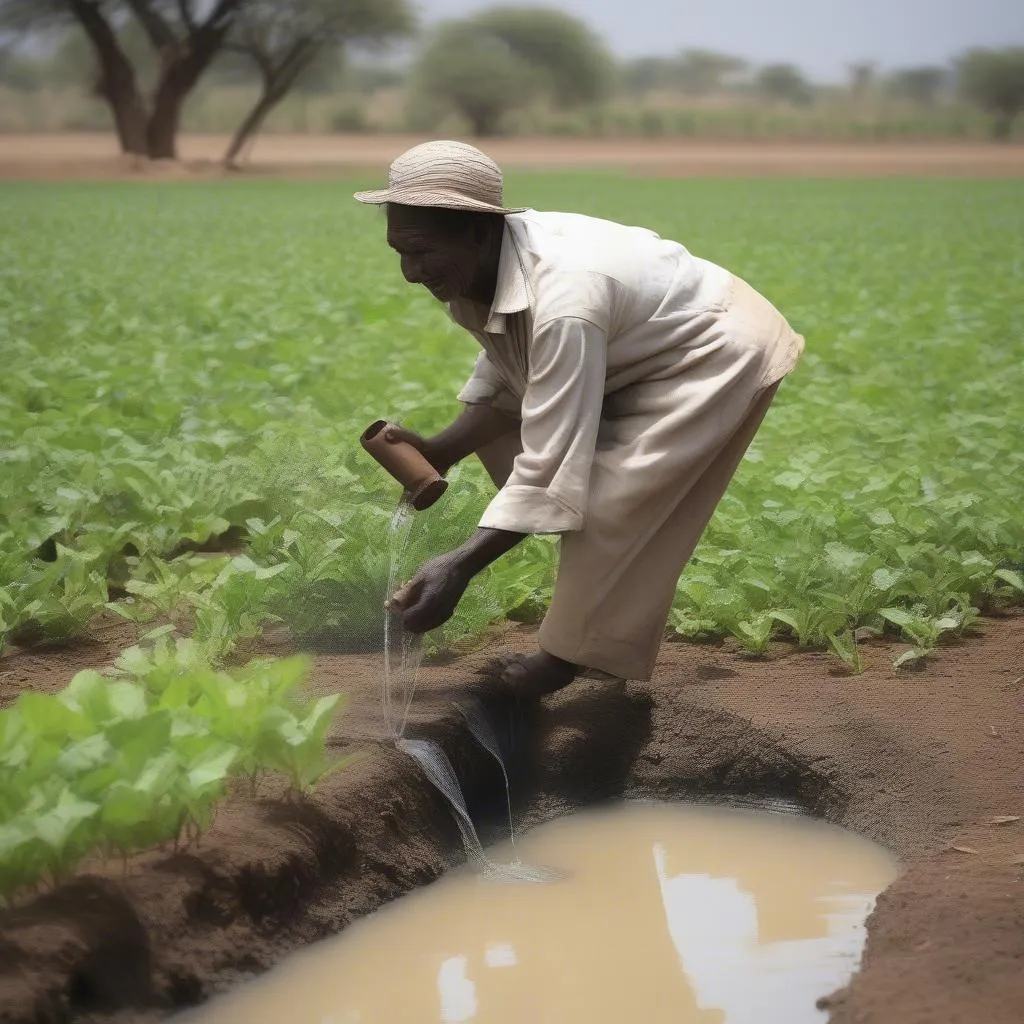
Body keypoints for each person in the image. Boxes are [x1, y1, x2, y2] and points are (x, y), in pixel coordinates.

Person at [354, 140, 804, 698]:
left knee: (611, 499)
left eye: (420, 253)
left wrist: (461, 566)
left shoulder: (567, 297)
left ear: (476, 229)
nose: (409, 272)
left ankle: (566, 658)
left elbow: (552, 449)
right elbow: (513, 361)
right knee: (566, 481)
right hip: (637, 344)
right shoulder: (481, 265)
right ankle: (582, 631)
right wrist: (444, 447)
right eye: (399, 250)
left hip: (713, 347)